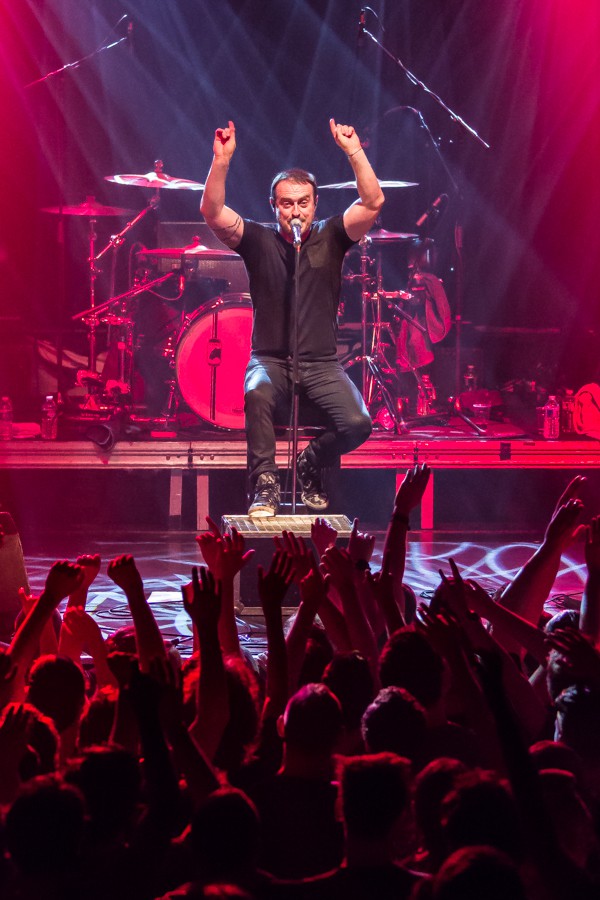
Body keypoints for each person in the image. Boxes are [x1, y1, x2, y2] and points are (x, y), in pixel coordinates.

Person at [200, 119, 384, 517]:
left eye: (303, 203)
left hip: (321, 364)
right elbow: (212, 212)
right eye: (287, 203)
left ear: (315, 204)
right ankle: (266, 485)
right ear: (275, 206)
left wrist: (353, 151)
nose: (296, 211)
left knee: (358, 423)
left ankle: (310, 460)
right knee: (256, 392)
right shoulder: (258, 239)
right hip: (269, 360)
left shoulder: (333, 235)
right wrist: (222, 162)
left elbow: (372, 202)